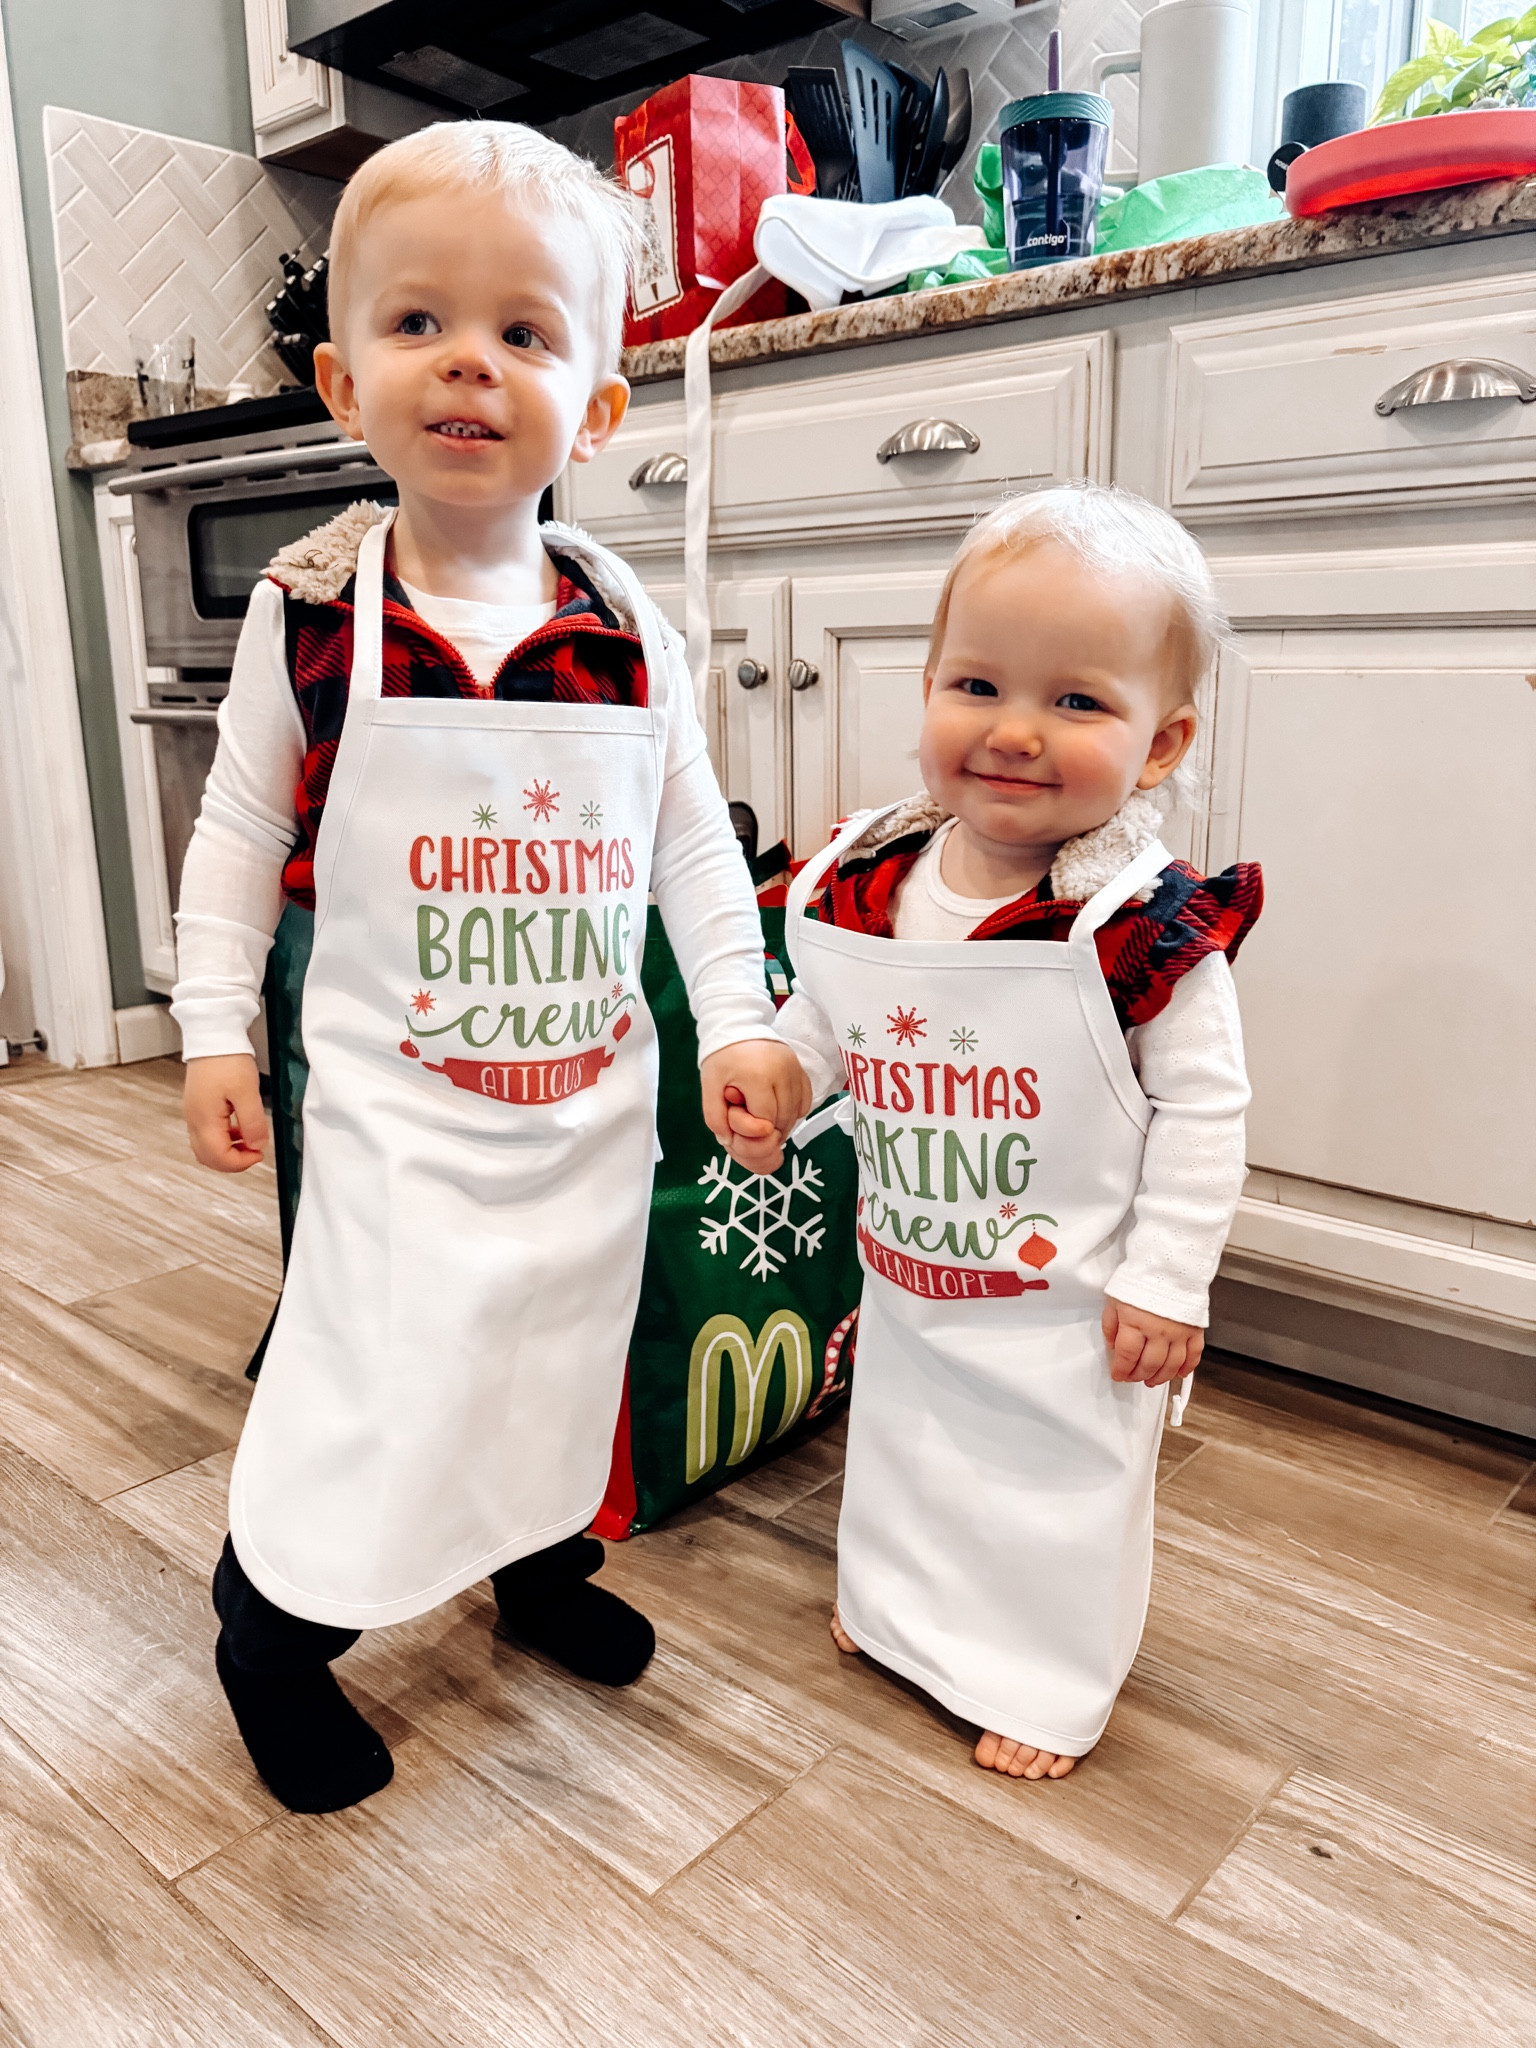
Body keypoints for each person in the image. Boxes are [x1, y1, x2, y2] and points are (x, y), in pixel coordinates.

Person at [173, 121, 808, 1815]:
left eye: (527, 332)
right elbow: (240, 830)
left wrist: (738, 1022)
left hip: (583, 1102)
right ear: (339, 380)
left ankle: (532, 1568)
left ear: (596, 406)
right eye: (420, 323)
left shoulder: (626, 624)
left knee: (553, 1344)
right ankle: (274, 1625)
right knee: (381, 1366)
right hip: (391, 1103)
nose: (472, 360)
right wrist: (211, 1028)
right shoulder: (316, 610)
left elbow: (686, 847)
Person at [770, 484, 1262, 1782]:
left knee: (1053, 1497)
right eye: (978, 686)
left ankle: (1043, 1681)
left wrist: (1169, 1277)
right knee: (909, 1459)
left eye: (1079, 702)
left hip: (1073, 1304)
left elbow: (1206, 1110)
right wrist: (778, 1064)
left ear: (1161, 744)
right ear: (927, 685)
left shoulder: (1143, 929)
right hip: (919, 1268)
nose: (1016, 733)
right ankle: (898, 1619)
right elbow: (832, 1017)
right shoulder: (872, 879)